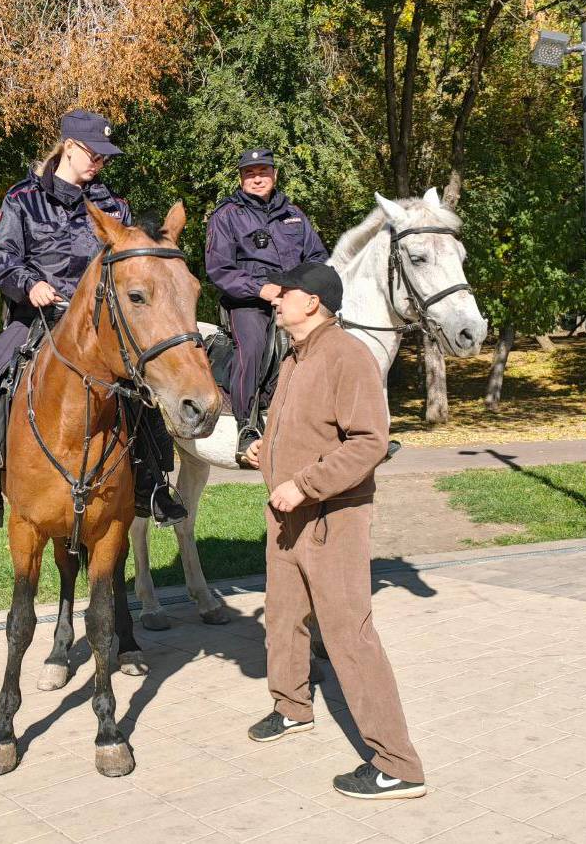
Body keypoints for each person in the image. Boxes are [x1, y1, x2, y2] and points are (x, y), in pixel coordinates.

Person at [0, 109, 186, 534]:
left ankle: (152, 484)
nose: (100, 163)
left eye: (104, 158)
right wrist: (29, 284)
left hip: (99, 324)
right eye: (94, 154)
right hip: (37, 316)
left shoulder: (114, 205)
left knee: (142, 386)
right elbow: (0, 254)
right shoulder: (21, 199)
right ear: (70, 147)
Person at [243, 262, 426, 801]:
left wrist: (304, 485)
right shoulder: (298, 357)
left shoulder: (347, 354)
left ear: (315, 302)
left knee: (349, 635)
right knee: (282, 617)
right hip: (287, 518)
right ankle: (293, 707)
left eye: (286, 295)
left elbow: (368, 441)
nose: (275, 302)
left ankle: (399, 765)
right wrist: (265, 451)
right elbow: (306, 430)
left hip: (331, 519)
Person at [204, 149, 328, 467]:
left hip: (296, 298)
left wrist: (303, 288)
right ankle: (247, 428)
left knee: (334, 340)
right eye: (250, 173)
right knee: (254, 345)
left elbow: (317, 257)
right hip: (246, 303)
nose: (257, 178)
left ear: (274, 174)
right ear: (241, 177)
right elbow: (219, 269)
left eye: (263, 171)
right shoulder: (226, 215)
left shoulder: (295, 215)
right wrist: (262, 289)